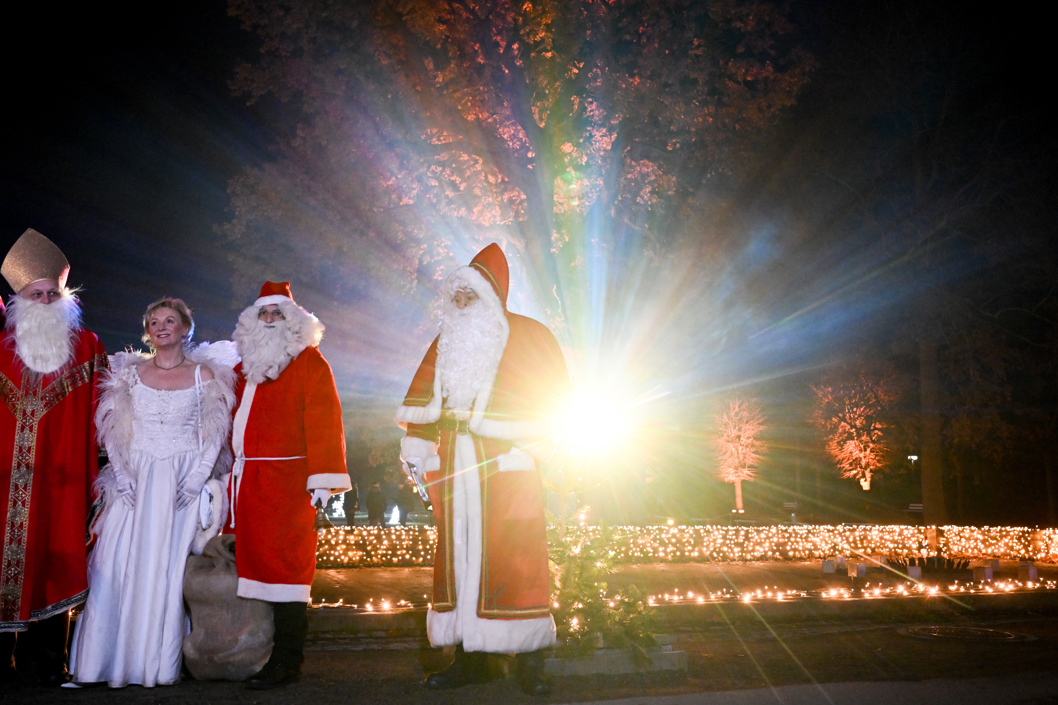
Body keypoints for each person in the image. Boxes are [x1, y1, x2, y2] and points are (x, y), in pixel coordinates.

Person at [395, 243, 570, 695]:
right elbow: (421, 404)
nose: (460, 302)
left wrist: (529, 449)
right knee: (457, 554)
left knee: (516, 554)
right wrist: (418, 448)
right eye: (455, 294)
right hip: (454, 461)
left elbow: (552, 399)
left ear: (492, 295)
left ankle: (530, 661)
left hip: (507, 462)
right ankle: (472, 659)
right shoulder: (446, 340)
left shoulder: (529, 336)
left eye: (469, 294)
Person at [68, 298, 236, 687]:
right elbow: (115, 429)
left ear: (185, 328)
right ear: (148, 330)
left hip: (179, 482)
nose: (162, 327)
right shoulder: (128, 374)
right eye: (155, 322)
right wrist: (122, 476)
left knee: (166, 569)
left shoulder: (204, 376)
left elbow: (212, 434)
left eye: (170, 321)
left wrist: (195, 479)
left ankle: (154, 664)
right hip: (135, 478)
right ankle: (101, 663)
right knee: (115, 564)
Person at [227, 281, 349, 689]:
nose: (269, 320)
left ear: (293, 320)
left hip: (291, 483)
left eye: (277, 313)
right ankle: (247, 652)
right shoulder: (243, 368)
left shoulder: (311, 363)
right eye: (263, 314)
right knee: (255, 566)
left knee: (289, 572)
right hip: (249, 481)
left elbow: (326, 423)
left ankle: (287, 660)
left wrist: (323, 482)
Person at [0, 229, 108, 686]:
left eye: (52, 293)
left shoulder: (87, 346)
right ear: (18, 299)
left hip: (62, 483)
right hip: (4, 486)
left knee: (57, 558)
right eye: (35, 294)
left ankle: (45, 663)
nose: (44, 301)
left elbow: (106, 414)